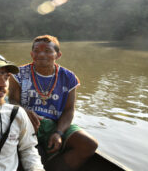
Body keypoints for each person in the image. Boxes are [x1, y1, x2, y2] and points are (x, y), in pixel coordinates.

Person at [8, 35, 98, 171]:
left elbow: (69, 110)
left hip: (56, 124)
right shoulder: (19, 74)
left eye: (47, 51)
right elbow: (12, 101)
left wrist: (59, 133)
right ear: (31, 54)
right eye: (36, 51)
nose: (41, 54)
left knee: (89, 144)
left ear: (58, 55)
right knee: (23, 150)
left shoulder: (69, 77)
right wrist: (23, 112)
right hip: (27, 123)